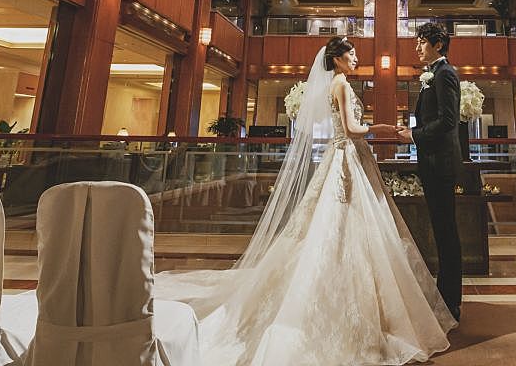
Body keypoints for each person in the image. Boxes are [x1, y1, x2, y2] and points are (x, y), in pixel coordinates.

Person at [154, 36, 454, 365]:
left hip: (348, 157)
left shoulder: (338, 84)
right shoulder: (341, 85)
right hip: (346, 158)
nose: (356, 58)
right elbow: (351, 129)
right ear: (337, 59)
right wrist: (380, 127)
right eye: (351, 53)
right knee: (345, 224)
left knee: (342, 226)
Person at [395, 22, 463, 321]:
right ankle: (445, 296)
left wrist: (413, 135)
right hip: (433, 162)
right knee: (441, 230)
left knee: (446, 231)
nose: (417, 47)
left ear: (438, 44)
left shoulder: (445, 73)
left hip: (441, 164)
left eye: (422, 41)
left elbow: (448, 121)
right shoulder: (433, 74)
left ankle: (451, 302)